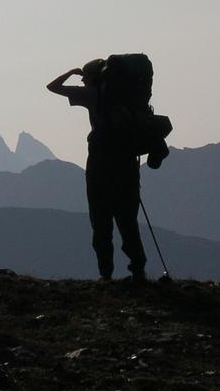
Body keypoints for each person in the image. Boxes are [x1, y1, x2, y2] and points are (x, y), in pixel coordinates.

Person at [47, 59, 150, 283]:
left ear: (93, 77)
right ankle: (138, 271)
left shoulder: (91, 94)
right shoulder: (129, 98)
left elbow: (52, 87)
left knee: (101, 223)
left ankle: (105, 274)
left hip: (100, 166)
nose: (83, 81)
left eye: (85, 77)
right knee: (128, 222)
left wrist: (70, 72)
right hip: (127, 166)